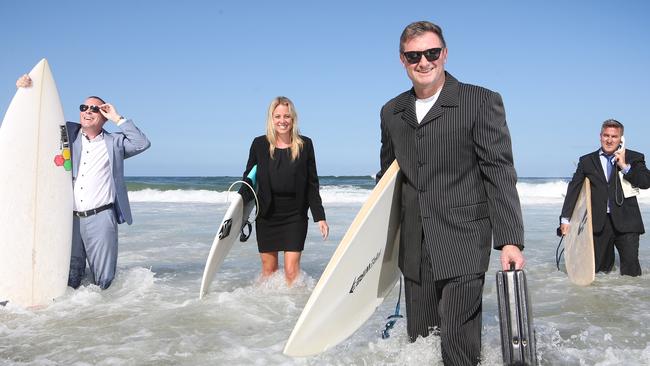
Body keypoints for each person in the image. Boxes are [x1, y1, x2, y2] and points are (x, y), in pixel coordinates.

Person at [376, 21, 525, 365]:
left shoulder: (480, 101)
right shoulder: (391, 112)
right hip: (414, 246)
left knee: (457, 344)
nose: (423, 62)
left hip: (464, 240)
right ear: (402, 60)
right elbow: (389, 180)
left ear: (444, 54)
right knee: (422, 343)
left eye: (431, 53)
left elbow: (499, 173)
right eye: (414, 56)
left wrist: (510, 240)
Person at [17, 75, 151, 290]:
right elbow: (36, 123)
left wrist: (117, 117)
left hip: (101, 217)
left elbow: (142, 143)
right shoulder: (67, 134)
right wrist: (26, 91)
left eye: (94, 109)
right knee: (69, 278)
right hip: (68, 219)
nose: (88, 111)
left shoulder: (115, 143)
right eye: (84, 107)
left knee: (103, 281)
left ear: (104, 115)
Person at [240, 96, 328, 285]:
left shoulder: (305, 145)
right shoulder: (259, 145)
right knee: (269, 271)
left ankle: (294, 309)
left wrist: (319, 216)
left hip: (294, 215)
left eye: (286, 116)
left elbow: (312, 183)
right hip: (267, 214)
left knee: (291, 271)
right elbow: (248, 180)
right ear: (271, 119)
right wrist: (237, 211)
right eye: (278, 116)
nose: (282, 121)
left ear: (293, 119)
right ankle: (271, 310)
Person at [560, 119, 650, 276]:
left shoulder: (634, 157)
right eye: (606, 135)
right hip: (598, 223)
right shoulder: (587, 160)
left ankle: (629, 299)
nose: (609, 140)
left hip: (627, 221)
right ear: (600, 136)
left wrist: (624, 166)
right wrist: (565, 219)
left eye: (614, 136)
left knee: (631, 273)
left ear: (621, 138)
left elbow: (645, 182)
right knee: (600, 272)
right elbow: (574, 189)